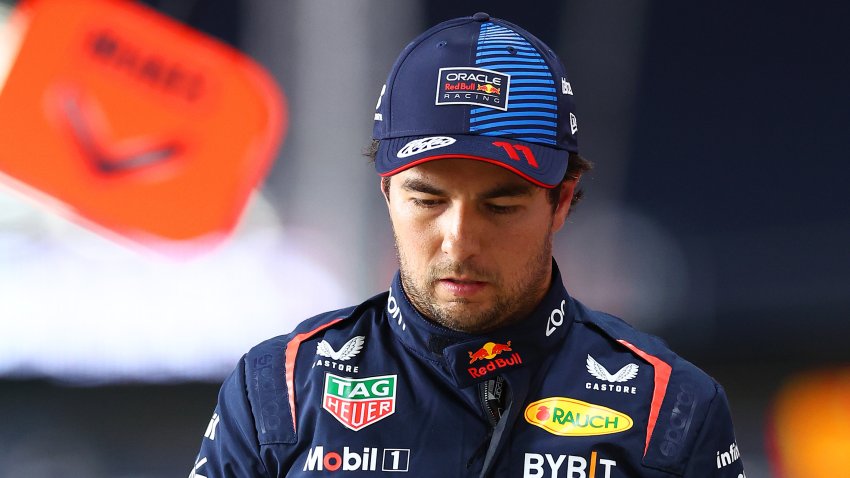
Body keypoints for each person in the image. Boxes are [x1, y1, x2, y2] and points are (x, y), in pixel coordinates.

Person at [190, 12, 746, 478]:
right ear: (386, 193)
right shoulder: (278, 391)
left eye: (500, 207)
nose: (460, 240)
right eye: (427, 200)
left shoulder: (670, 408)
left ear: (562, 201)